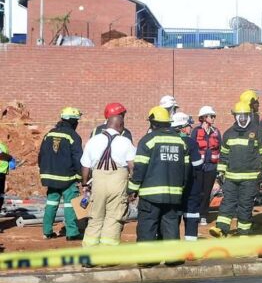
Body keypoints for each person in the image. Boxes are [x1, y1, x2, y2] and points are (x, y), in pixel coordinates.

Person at [128, 107, 189, 257]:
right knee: (171, 225)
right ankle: (173, 257)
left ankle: (147, 258)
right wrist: (181, 188)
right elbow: (186, 170)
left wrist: (132, 189)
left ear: (153, 123)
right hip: (173, 195)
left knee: (148, 225)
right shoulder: (181, 141)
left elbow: (139, 168)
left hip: (150, 194)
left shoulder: (148, 140)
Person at [209, 101, 262, 238]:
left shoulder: (258, 133)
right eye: (239, 115)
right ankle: (221, 229)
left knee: (245, 205)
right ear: (234, 116)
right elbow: (224, 155)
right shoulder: (229, 134)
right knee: (227, 203)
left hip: (250, 178)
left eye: (244, 115)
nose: (241, 118)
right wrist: (221, 173)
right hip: (231, 178)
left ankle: (243, 232)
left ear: (249, 115)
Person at [80, 115, 136, 247]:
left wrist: (84, 184)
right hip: (118, 182)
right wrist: (133, 187)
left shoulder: (93, 141)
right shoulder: (125, 142)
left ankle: (89, 253)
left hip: (98, 181)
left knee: (95, 217)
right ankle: (106, 255)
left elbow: (85, 166)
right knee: (114, 218)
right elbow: (132, 166)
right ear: (121, 126)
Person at [38, 107, 84, 240]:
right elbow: (77, 158)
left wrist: (44, 171)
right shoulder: (73, 136)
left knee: (51, 203)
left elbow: (41, 155)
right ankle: (72, 233)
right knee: (71, 204)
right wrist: (81, 176)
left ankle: (47, 231)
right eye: (77, 120)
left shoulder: (49, 133)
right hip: (67, 178)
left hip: (50, 177)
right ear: (72, 121)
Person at [172, 112, 204, 241]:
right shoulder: (190, 142)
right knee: (191, 215)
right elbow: (197, 165)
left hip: (173, 186)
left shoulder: (170, 141)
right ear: (182, 127)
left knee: (173, 216)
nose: (191, 128)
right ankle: (190, 248)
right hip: (191, 185)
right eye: (189, 125)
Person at [190, 106, 221, 226]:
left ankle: (203, 215)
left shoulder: (216, 132)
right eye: (211, 116)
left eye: (214, 116)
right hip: (198, 167)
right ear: (203, 118)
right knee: (197, 192)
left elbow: (220, 149)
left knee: (207, 192)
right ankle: (195, 213)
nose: (213, 118)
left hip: (211, 167)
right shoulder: (196, 131)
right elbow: (192, 148)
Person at [0, 141, 13, 208]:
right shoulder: (3, 145)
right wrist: (10, 158)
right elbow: (2, 155)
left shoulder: (3, 145)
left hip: (2, 172)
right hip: (2, 172)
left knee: (1, 193)